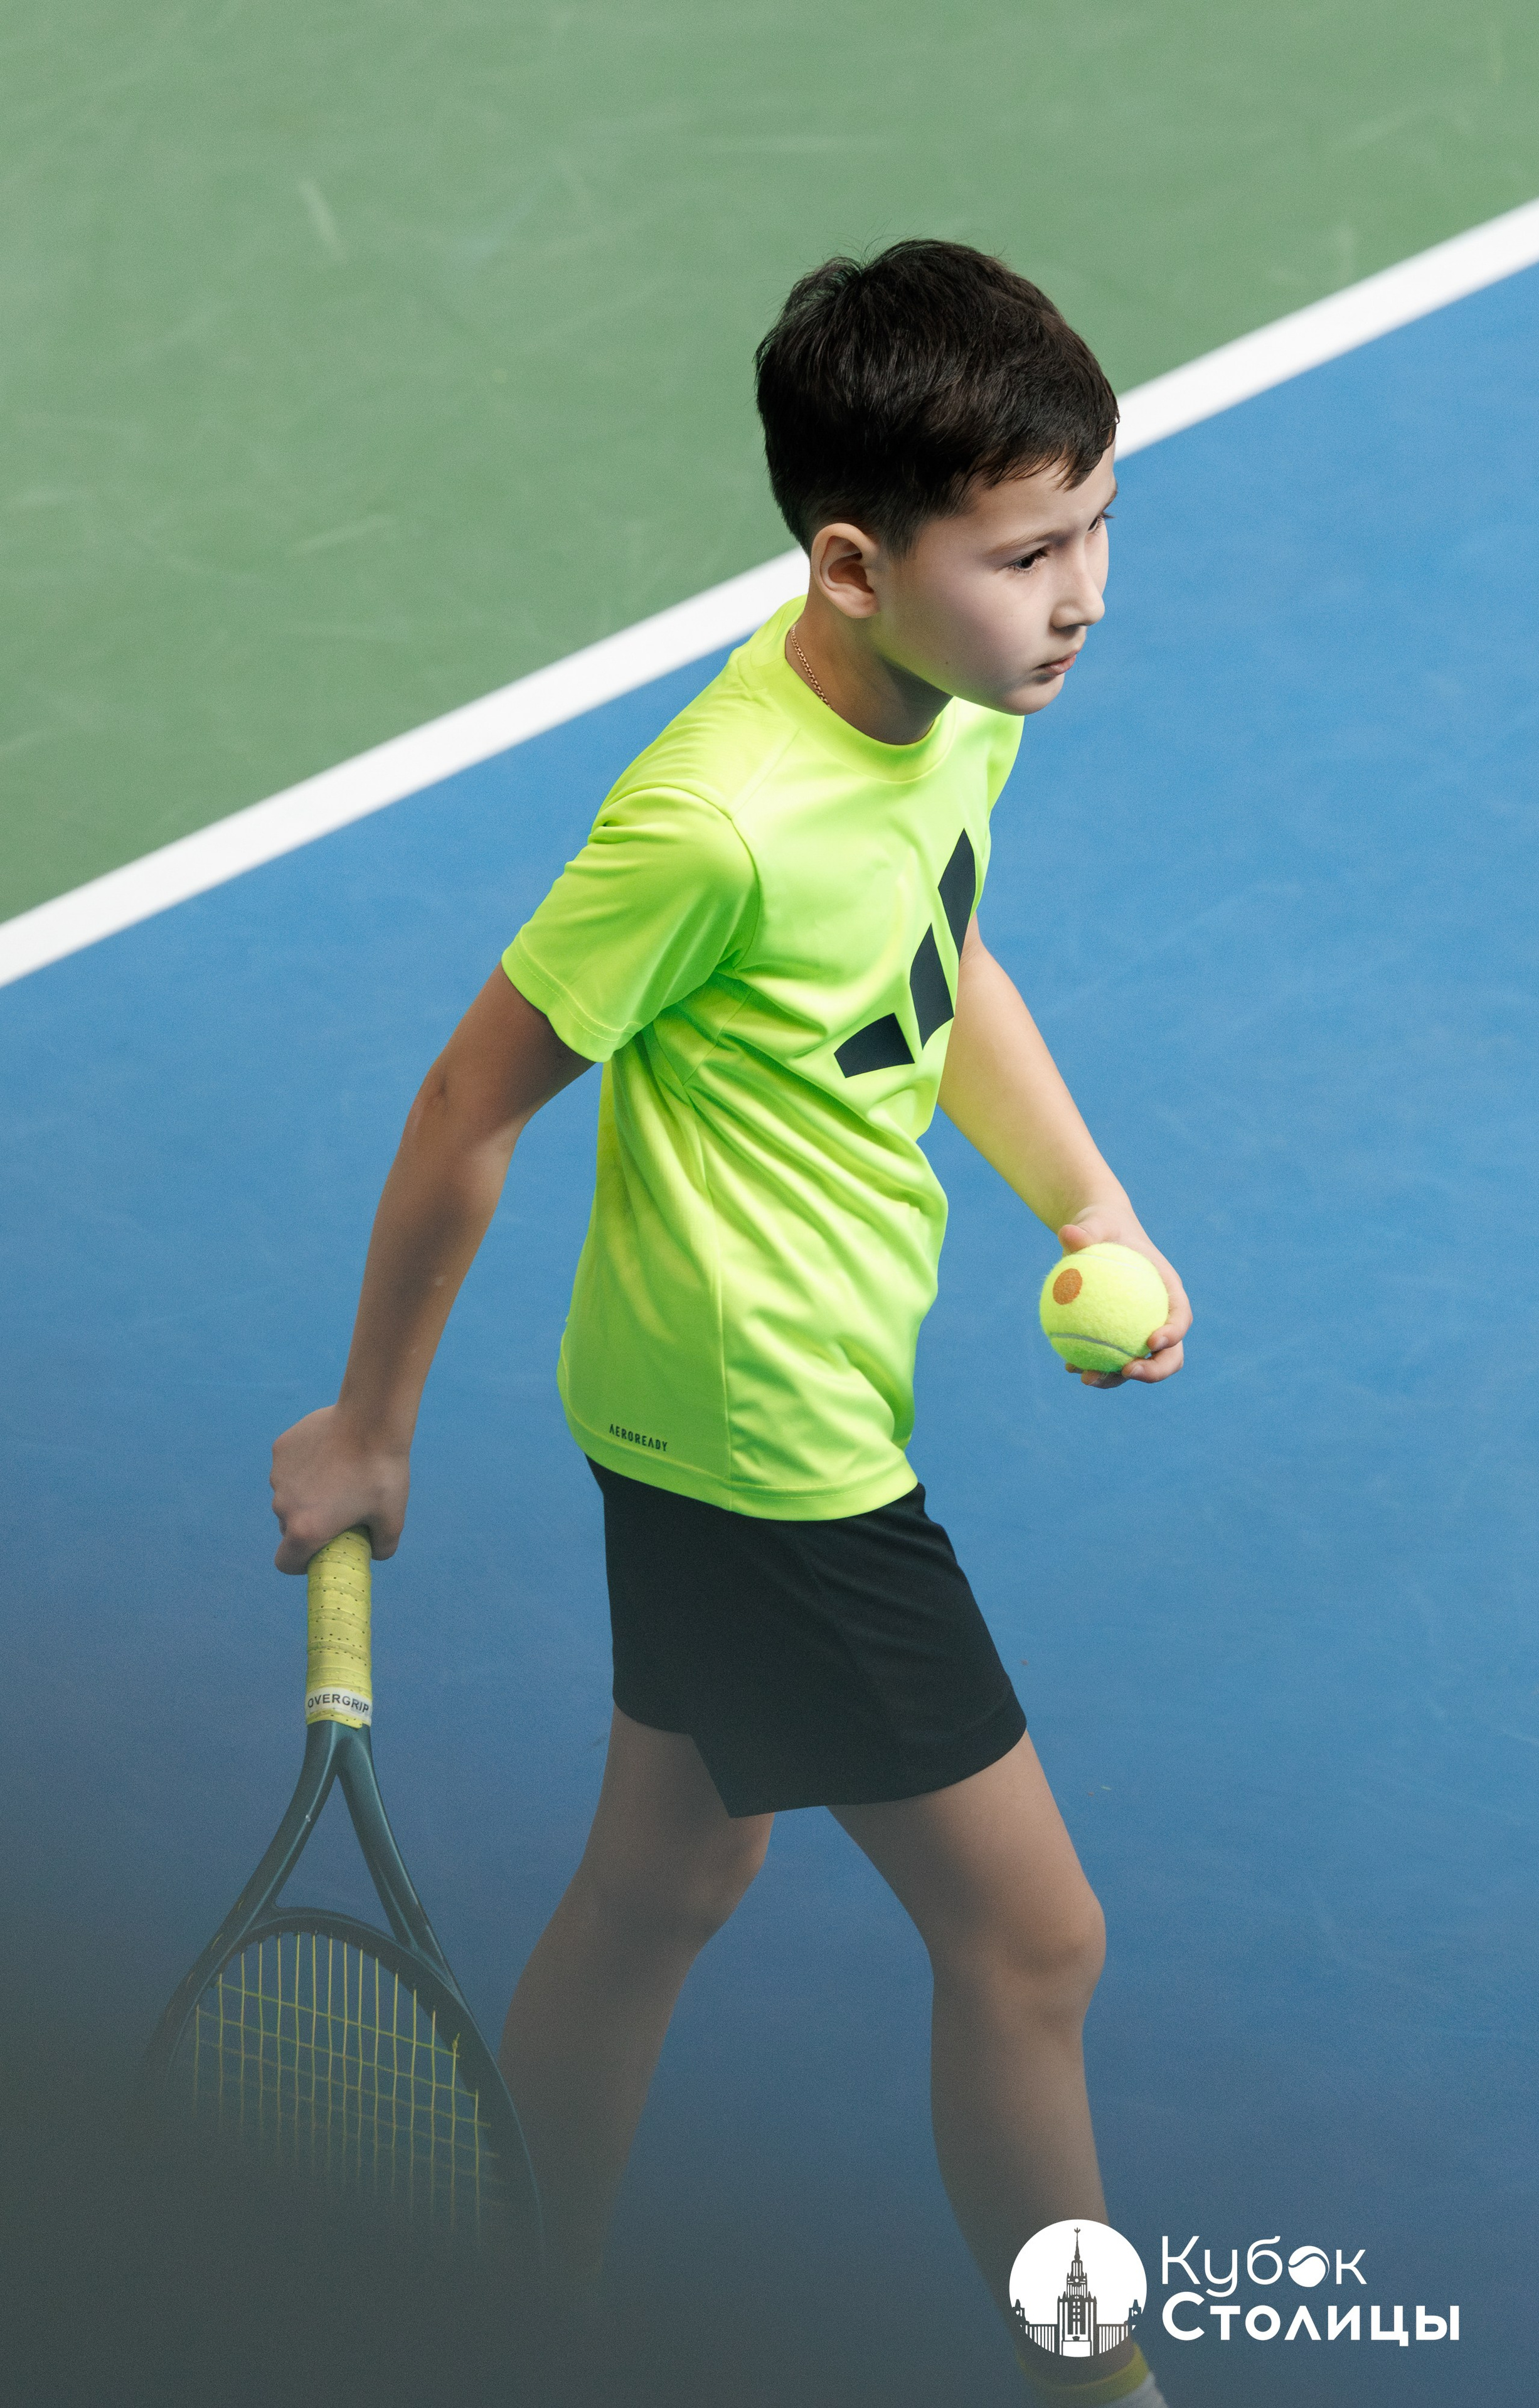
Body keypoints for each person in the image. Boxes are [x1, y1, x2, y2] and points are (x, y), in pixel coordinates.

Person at [270, 239, 1189, 2405]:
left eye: (1101, 528)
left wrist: (1086, 1193)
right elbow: (469, 1102)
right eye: (1029, 552)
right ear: (852, 563)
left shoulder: (954, 706)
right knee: (1037, 1943)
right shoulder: (711, 819)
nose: (1082, 597)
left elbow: (931, 962)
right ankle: (1107, 2385)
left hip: (713, 1414)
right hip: (778, 1453)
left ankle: (517, 2311)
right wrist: (369, 1425)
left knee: (665, 1881)